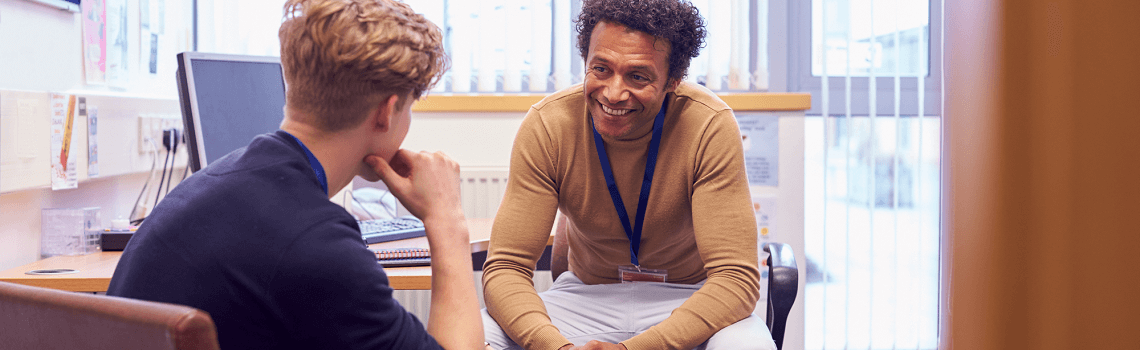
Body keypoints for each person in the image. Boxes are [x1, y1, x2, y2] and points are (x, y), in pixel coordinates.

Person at [107, 0, 486, 349]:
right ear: (387, 113)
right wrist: (447, 220)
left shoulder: (203, 187)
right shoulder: (316, 247)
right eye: (410, 108)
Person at [480, 0, 776, 349]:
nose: (614, 93)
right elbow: (506, 269)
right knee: (476, 335)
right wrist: (554, 346)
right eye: (601, 69)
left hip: (686, 298)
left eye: (637, 76)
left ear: (673, 80)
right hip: (584, 298)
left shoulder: (708, 125)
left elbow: (735, 279)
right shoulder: (549, 124)